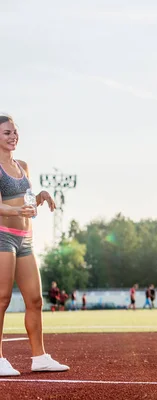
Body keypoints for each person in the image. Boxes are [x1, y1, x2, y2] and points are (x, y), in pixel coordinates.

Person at [0, 115, 69, 376]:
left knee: (35, 300)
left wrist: (39, 196)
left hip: (25, 240)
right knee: (2, 299)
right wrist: (17, 209)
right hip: (2, 237)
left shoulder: (23, 165)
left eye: (15, 132)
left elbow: (25, 199)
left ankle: (39, 357)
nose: (13, 136)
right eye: (7, 133)